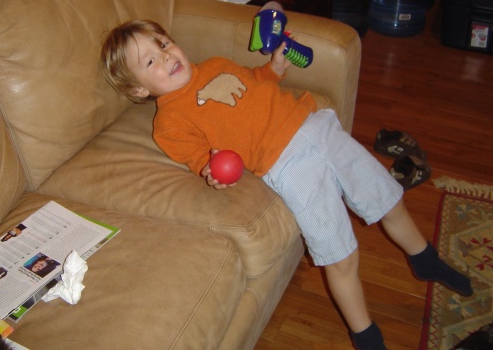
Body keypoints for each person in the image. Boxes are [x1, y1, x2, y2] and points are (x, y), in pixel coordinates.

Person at [100, 18, 473, 349]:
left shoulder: (215, 64)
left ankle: (423, 258)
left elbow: (254, 81)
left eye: (163, 44)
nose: (166, 56)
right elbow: (201, 162)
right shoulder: (169, 124)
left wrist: (273, 68)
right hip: (289, 166)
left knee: (388, 198)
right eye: (150, 61)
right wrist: (213, 170)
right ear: (139, 90)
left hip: (317, 127)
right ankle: (366, 335)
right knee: (340, 254)